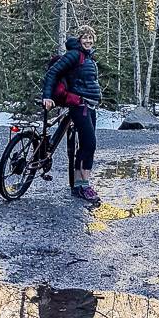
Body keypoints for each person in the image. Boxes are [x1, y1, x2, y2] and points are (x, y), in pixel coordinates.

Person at [42, 25, 102, 204]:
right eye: (85, 37)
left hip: (90, 105)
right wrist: (47, 96)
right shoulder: (74, 54)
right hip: (79, 104)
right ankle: (84, 186)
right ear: (79, 39)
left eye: (91, 38)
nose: (88, 41)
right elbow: (53, 72)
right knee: (90, 144)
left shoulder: (88, 57)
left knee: (84, 145)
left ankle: (78, 185)